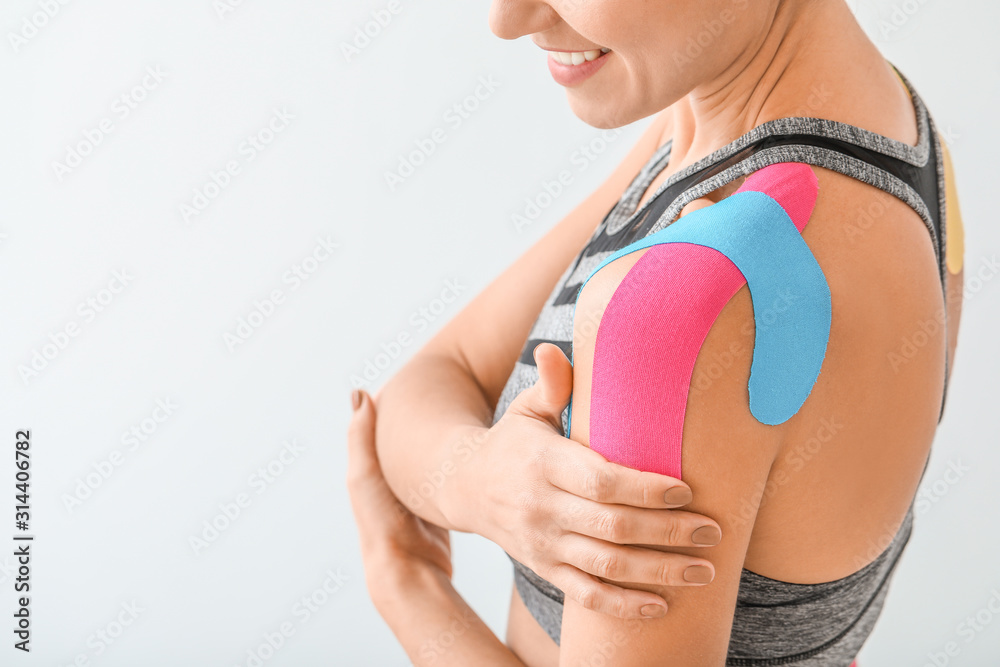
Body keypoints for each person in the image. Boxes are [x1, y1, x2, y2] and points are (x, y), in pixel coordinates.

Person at [348, 0, 966, 664]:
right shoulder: (878, 126)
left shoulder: (696, 294)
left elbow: (421, 405)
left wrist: (409, 587)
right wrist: (483, 483)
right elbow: (438, 373)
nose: (509, 19)